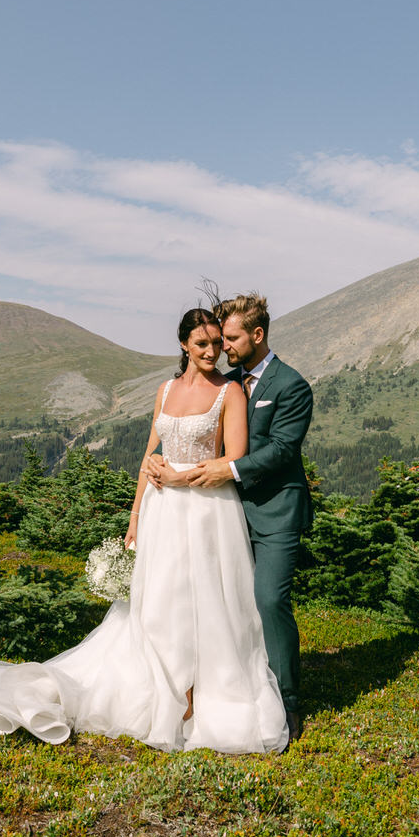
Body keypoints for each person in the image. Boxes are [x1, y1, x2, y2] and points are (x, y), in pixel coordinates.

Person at [0, 308, 288, 754]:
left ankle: (200, 693)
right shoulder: (165, 390)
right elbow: (150, 453)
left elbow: (233, 460)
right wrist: (135, 516)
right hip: (162, 511)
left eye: (216, 343)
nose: (213, 352)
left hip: (208, 511)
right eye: (202, 343)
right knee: (161, 600)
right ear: (185, 346)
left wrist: (176, 476)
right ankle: (167, 686)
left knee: (207, 599)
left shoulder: (230, 392)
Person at [147, 292, 314, 741]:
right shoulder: (229, 381)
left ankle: (288, 701)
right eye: (217, 340)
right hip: (226, 512)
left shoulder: (291, 385)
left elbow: (281, 450)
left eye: (231, 339)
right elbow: (192, 427)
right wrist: (159, 460)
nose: (222, 348)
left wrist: (230, 467)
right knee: (222, 603)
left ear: (256, 335)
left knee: (268, 601)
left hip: (276, 510)